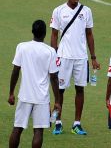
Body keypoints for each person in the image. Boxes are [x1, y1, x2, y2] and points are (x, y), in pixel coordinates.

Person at [50, 0, 100, 135]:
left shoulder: (86, 11)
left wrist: (93, 57)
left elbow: (89, 34)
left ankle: (76, 124)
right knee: (60, 90)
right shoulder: (58, 11)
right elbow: (54, 34)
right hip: (63, 57)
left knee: (80, 89)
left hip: (80, 58)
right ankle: (58, 122)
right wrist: (54, 55)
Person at [8, 20, 61, 148]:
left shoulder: (22, 47)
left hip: (24, 95)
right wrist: (58, 101)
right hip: (41, 98)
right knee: (38, 131)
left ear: (32, 31)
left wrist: (11, 93)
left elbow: (15, 71)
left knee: (17, 128)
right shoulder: (50, 51)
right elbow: (53, 78)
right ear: (44, 33)